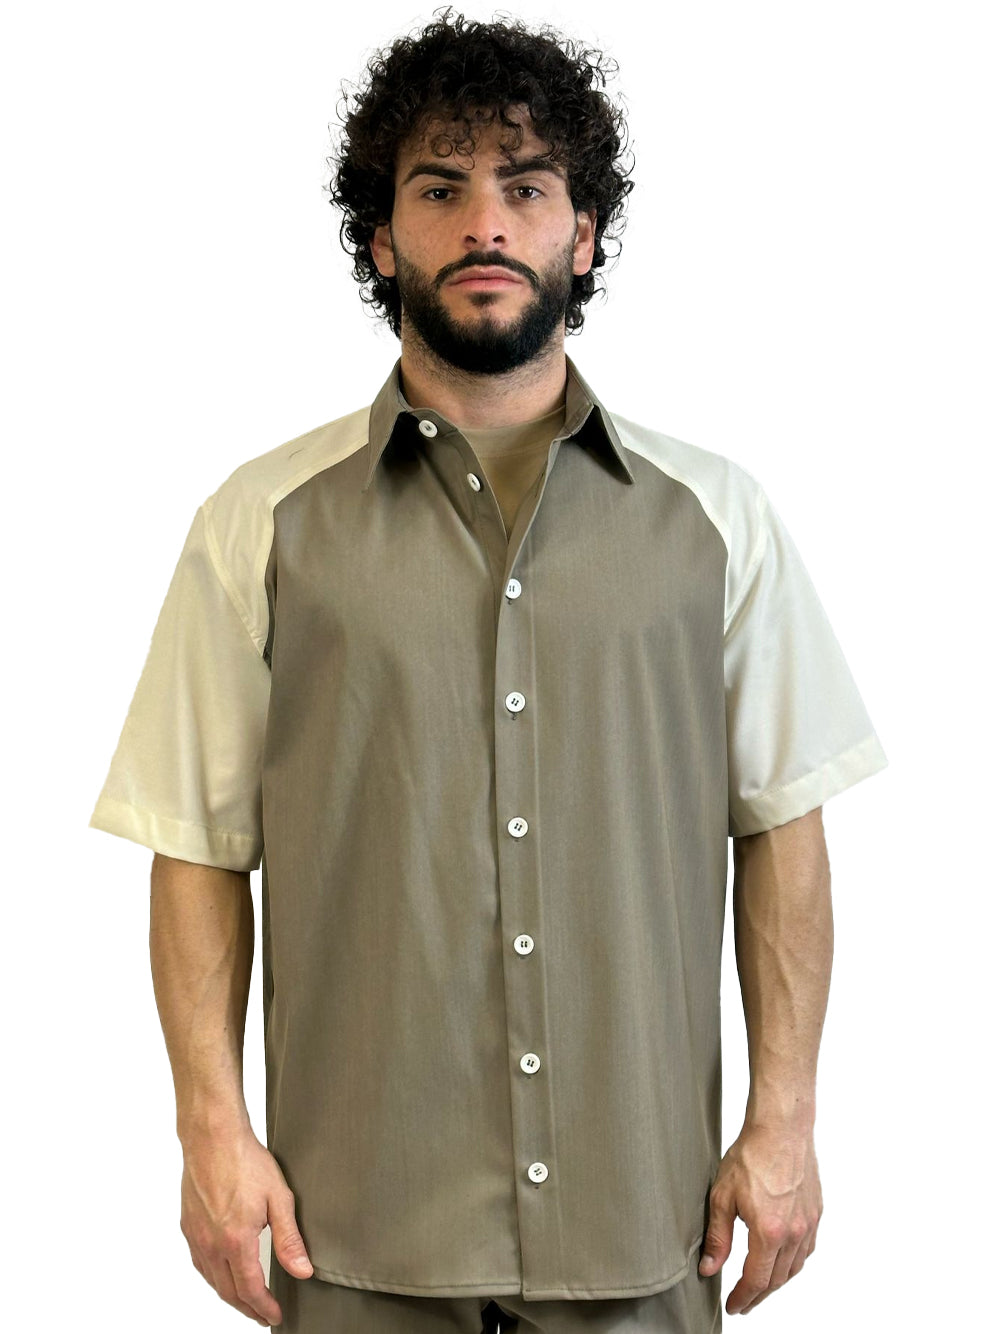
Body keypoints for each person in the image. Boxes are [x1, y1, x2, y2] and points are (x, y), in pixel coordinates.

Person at [89, 9, 888, 1334]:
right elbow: (195, 845)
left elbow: (782, 823)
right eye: (440, 188)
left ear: (583, 237)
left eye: (525, 188)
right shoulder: (261, 521)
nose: (484, 225)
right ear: (380, 238)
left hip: (647, 1229)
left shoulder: (716, 518)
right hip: (353, 1235)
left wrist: (786, 1122)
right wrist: (210, 1136)